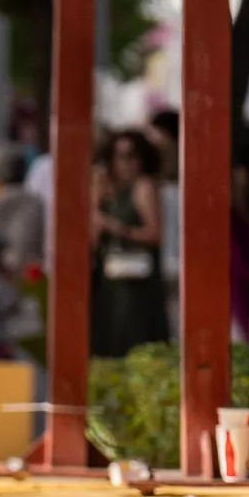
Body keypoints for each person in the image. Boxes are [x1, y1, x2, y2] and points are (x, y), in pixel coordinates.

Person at [92, 129, 169, 357]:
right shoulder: (109, 190)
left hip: (136, 283)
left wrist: (117, 228)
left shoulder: (143, 187)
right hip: (109, 280)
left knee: (135, 341)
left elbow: (154, 234)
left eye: (131, 156)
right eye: (119, 156)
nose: (125, 164)